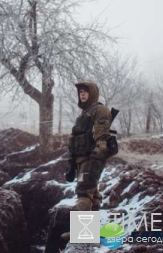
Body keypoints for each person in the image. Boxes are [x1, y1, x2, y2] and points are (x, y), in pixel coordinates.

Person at [60, 81, 117, 241]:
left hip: (90, 159)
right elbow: (76, 139)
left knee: (84, 191)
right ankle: (90, 231)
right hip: (80, 160)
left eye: (85, 91)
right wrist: (71, 164)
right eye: (80, 92)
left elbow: (102, 139)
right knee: (93, 192)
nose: (82, 94)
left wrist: (96, 162)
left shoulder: (100, 110)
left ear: (92, 93)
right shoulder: (84, 114)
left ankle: (81, 233)